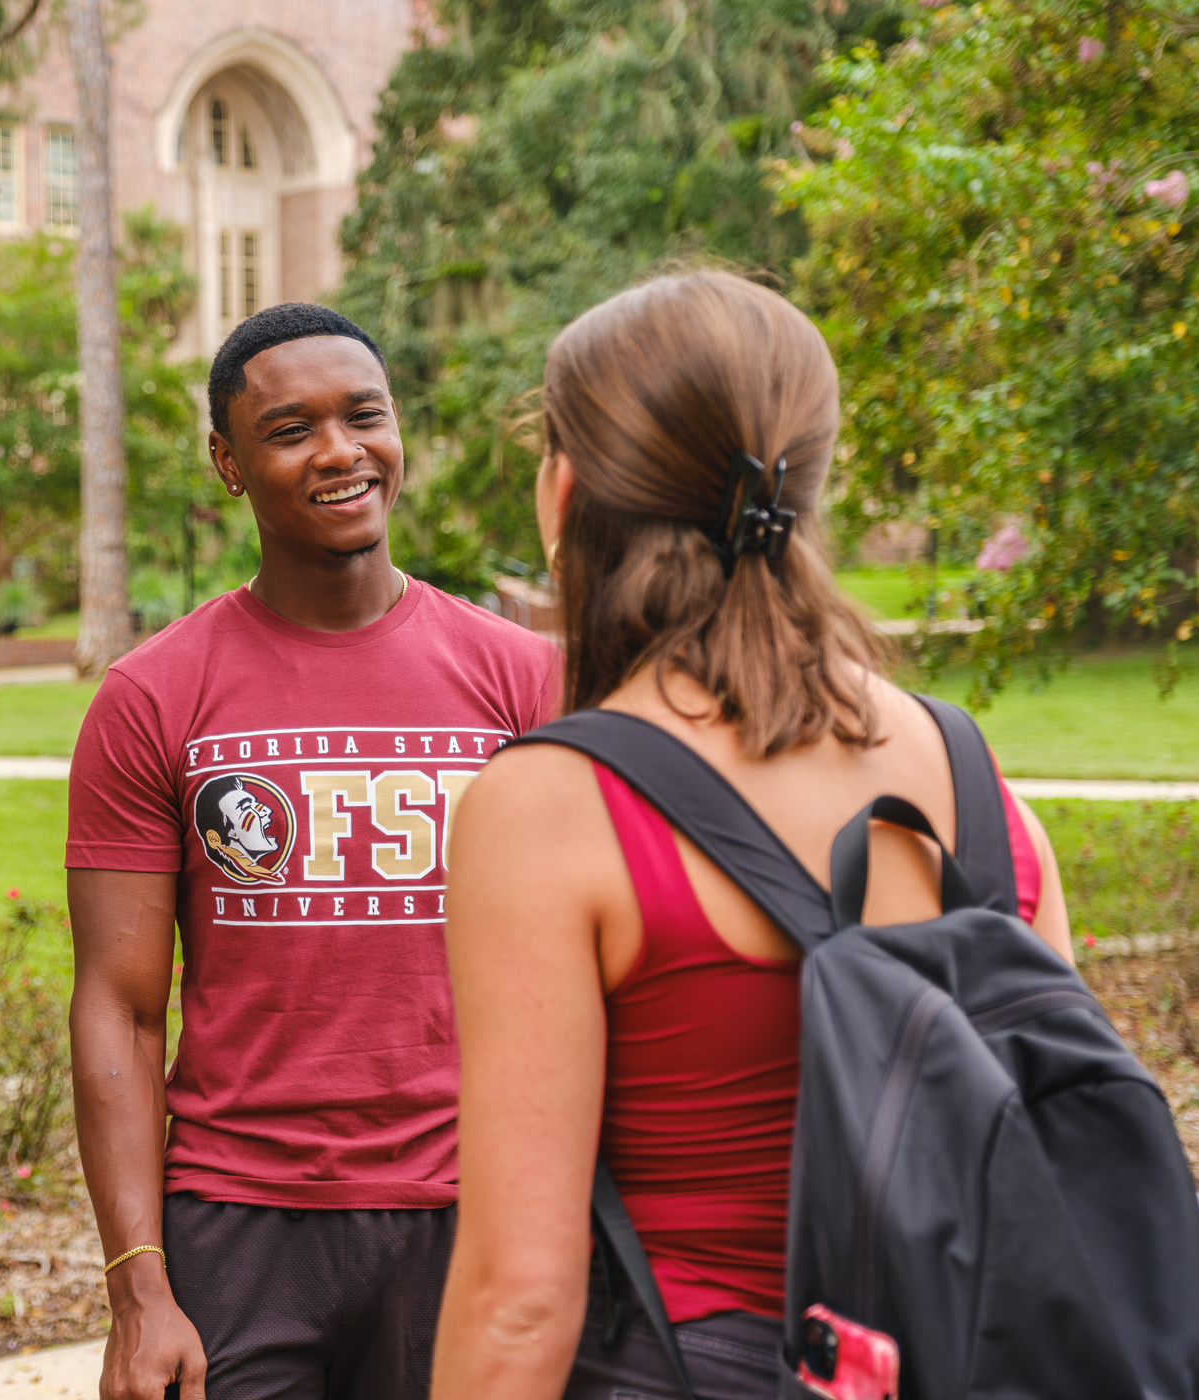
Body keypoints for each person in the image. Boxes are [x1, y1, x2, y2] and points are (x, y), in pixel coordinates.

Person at [429, 271, 1073, 1399]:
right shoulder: (976, 785)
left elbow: (518, 1300)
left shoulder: (550, 811)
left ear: (565, 491)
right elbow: (1046, 1149)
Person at [67, 302, 561, 1400]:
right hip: (240, 1225)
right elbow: (121, 1007)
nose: (340, 451)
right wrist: (138, 1290)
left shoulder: (526, 680)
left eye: (364, 416)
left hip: (471, 1211)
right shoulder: (153, 696)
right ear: (228, 463)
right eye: (291, 430)